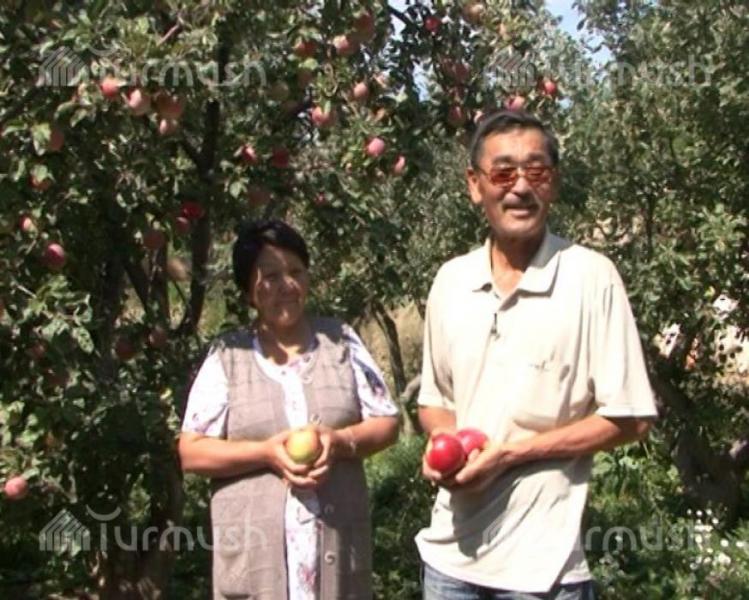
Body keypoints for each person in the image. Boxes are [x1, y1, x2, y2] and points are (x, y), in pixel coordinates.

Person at [415, 110, 658, 599]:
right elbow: (435, 400)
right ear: (475, 185)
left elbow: (631, 417)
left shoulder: (591, 278)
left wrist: (510, 455)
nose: (521, 187)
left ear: (554, 183)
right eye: (503, 173)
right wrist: (445, 446)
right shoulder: (451, 281)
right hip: (449, 562)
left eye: (536, 171)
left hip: (544, 571)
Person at [178, 219, 399, 600]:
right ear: (248, 290)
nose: (287, 285)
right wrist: (266, 453)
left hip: (337, 563)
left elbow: (387, 422)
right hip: (255, 568)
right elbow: (191, 452)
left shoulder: (340, 341)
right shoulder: (229, 356)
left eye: (296, 272)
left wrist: (340, 441)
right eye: (271, 276)